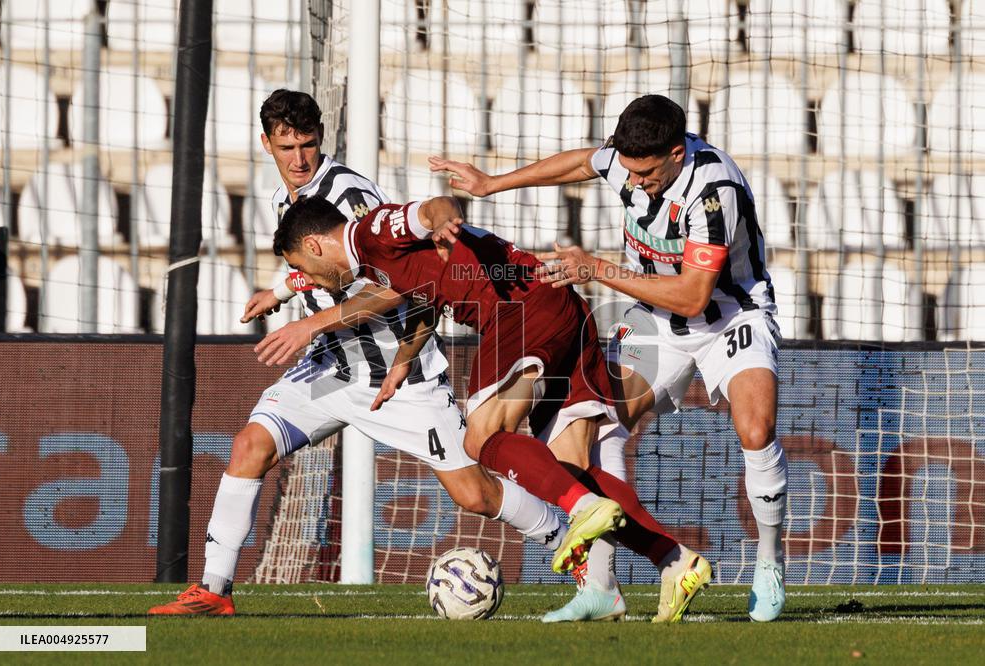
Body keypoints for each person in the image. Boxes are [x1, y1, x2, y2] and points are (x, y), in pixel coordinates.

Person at [148, 90, 570, 616]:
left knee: (475, 495)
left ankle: (569, 541)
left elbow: (403, 284)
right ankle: (214, 590)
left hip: (398, 375)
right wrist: (280, 292)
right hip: (331, 369)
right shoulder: (286, 200)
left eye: (307, 145)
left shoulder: (350, 196)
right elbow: (320, 264)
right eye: (287, 147)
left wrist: (308, 323)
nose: (299, 159)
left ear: (321, 140)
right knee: (250, 445)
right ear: (266, 145)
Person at [270, 193, 714, 624]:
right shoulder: (378, 262)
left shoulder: (370, 232)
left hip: (518, 310)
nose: (305, 276)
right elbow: (426, 296)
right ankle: (671, 562)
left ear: (312, 246)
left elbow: (433, 207)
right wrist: (401, 365)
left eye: (299, 267)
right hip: (561, 307)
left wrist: (444, 219)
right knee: (569, 465)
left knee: (480, 439)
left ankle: (581, 510)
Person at [431, 94, 787, 622]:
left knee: (755, 430)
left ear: (675, 153)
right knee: (596, 428)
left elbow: (692, 295)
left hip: (730, 316)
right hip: (651, 318)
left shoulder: (714, 192)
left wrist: (596, 269)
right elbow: (580, 161)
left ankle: (768, 559)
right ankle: (603, 587)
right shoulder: (628, 161)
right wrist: (491, 184)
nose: (635, 182)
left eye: (646, 173)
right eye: (628, 170)